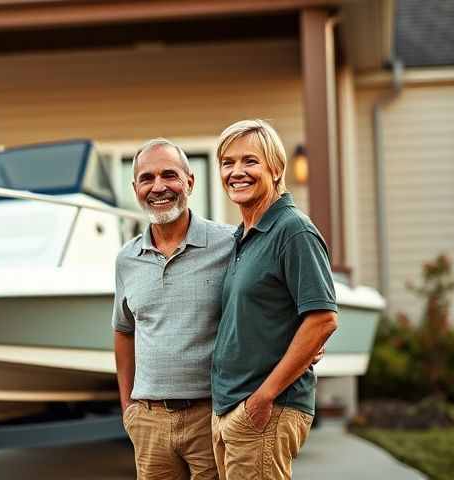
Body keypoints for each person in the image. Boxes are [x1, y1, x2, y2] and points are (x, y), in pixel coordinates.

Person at [211, 119, 338, 480]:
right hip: (231, 409)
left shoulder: (292, 230)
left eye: (250, 161)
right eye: (227, 162)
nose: (236, 172)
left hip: (267, 409)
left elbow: (323, 319)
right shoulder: (243, 234)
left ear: (276, 168)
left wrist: (262, 399)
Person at [113, 138, 234, 480]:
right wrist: (129, 411)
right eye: (147, 178)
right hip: (150, 422)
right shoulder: (126, 259)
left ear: (190, 182)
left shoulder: (229, 243)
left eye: (169, 175)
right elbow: (124, 332)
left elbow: (265, 301)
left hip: (211, 415)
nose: (158, 187)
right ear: (135, 187)